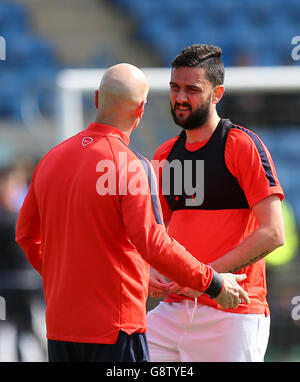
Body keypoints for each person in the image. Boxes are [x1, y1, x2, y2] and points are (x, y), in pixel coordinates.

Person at [15, 63, 249, 362]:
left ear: (98, 98)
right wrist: (212, 282)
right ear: (141, 110)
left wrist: (72, 282)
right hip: (115, 328)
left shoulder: (51, 159)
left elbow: (25, 235)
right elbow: (153, 242)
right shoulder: (131, 166)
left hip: (61, 329)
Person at [147, 45, 285, 362]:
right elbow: (158, 233)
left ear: (217, 93)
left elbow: (274, 232)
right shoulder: (164, 155)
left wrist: (208, 280)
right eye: (175, 87)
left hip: (232, 311)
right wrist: (150, 269)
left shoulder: (242, 145)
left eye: (192, 89)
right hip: (172, 310)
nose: (181, 97)